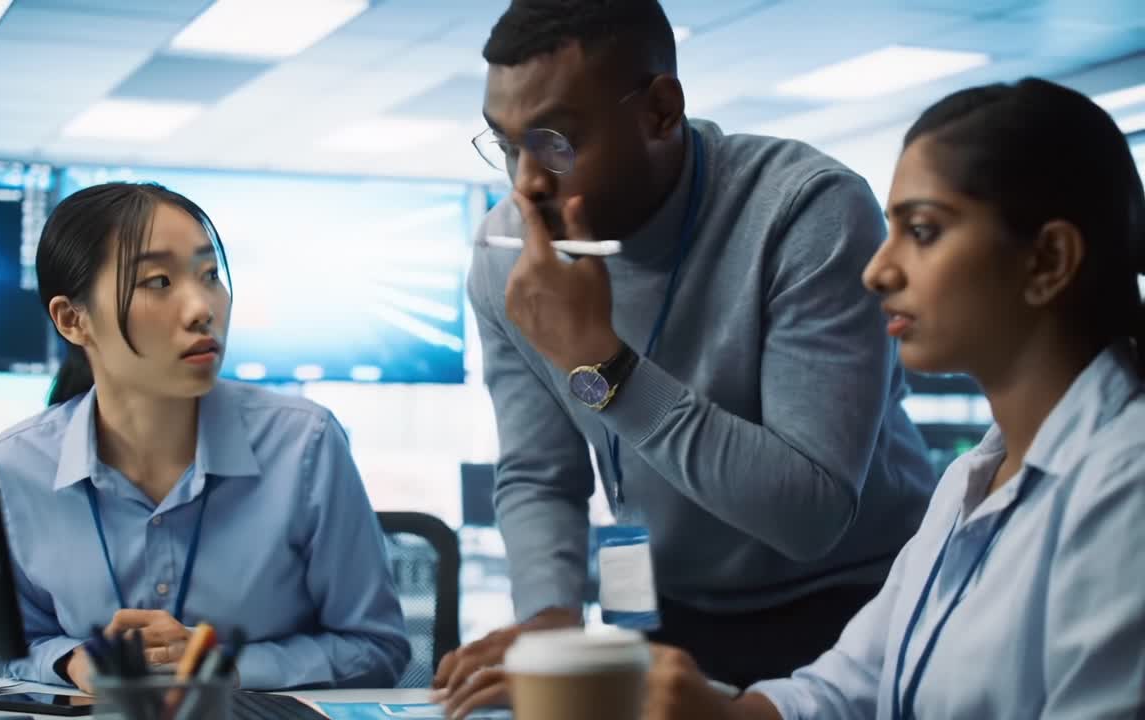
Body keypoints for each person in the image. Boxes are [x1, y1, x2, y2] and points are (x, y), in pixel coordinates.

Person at [436, 0, 937, 714]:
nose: (527, 185)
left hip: (853, 613)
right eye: (508, 144)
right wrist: (547, 621)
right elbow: (540, 474)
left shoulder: (807, 210)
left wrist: (604, 367)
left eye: (555, 142)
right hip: (662, 610)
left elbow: (809, 514)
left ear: (661, 111)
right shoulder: (506, 256)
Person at [643, 76, 1145, 719]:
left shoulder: (1123, 486)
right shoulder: (971, 480)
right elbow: (853, 684)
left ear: (1047, 260)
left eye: (925, 231)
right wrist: (721, 714)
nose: (878, 271)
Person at [0, 182, 410, 692]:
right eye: (159, 282)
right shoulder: (16, 467)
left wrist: (225, 668)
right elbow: (19, 645)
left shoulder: (304, 445)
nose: (201, 308)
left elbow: (377, 649)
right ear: (73, 320)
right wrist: (75, 662)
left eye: (211, 275)